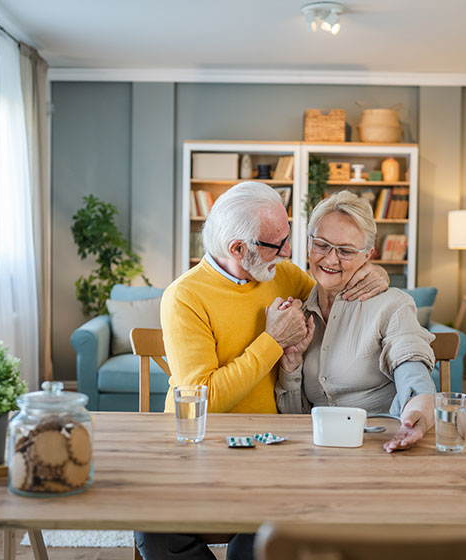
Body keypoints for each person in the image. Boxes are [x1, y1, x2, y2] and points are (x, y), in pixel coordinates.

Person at [136, 182, 389, 560]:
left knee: (265, 538)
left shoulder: (283, 273)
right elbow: (203, 398)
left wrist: (376, 272)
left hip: (272, 450)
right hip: (198, 448)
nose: (288, 253)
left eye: (288, 237)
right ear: (237, 248)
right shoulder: (184, 296)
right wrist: (271, 340)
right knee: (153, 528)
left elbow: (335, 286)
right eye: (276, 244)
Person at [275, 190, 437, 453]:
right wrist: (291, 369)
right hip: (319, 452)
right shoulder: (299, 313)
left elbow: (410, 359)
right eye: (321, 245)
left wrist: (419, 406)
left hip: (381, 447)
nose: (330, 259)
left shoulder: (391, 304)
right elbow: (297, 417)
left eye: (347, 251)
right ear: (307, 244)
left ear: (368, 255)